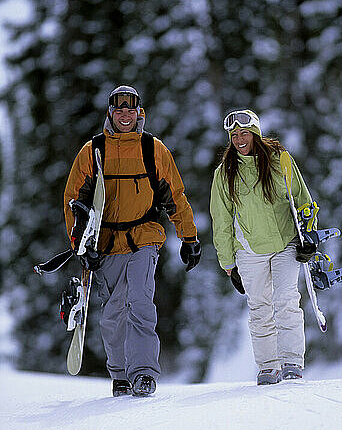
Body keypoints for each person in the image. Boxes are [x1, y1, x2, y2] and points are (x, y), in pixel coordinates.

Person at [64, 85, 201, 397]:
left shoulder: (154, 149)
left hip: (144, 238)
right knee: (113, 313)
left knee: (139, 301)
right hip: (106, 243)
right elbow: (73, 199)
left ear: (139, 113)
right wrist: (81, 246)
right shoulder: (93, 150)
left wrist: (189, 236)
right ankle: (121, 375)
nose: (125, 113)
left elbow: (175, 196)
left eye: (131, 108)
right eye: (119, 108)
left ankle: (143, 374)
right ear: (110, 112)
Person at [210, 109, 316, 385]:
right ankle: (268, 366)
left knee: (287, 301)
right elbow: (220, 219)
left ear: (256, 133)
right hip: (249, 249)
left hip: (285, 243)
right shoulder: (224, 173)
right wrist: (228, 263)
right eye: (233, 135)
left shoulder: (280, 160)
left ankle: (292, 361)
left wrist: (309, 236)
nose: (239, 139)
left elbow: (302, 199)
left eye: (244, 133)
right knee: (259, 307)